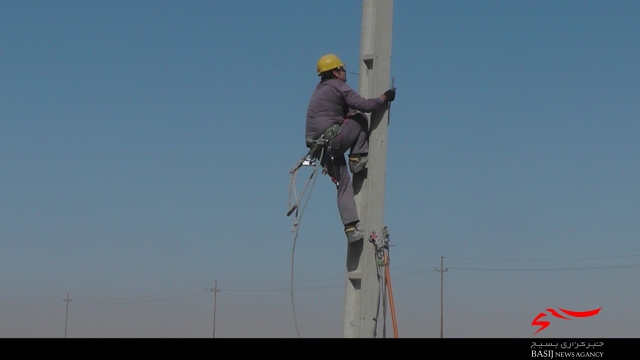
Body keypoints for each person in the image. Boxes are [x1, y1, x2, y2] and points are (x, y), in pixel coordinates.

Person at [305, 54, 396, 243]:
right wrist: (385, 97)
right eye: (343, 69)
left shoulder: (320, 90)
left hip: (321, 151)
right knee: (361, 116)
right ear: (336, 72)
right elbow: (364, 105)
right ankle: (356, 158)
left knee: (343, 185)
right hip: (332, 141)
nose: (346, 72)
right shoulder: (337, 86)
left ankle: (351, 230)